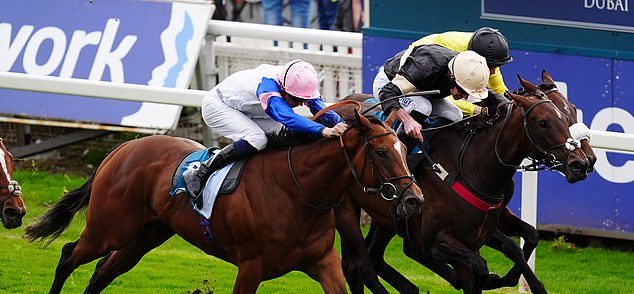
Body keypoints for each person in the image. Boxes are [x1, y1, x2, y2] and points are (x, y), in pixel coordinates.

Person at [183, 60, 348, 207]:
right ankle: (199, 174)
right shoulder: (268, 85)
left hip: (250, 110)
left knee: (282, 137)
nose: (299, 104)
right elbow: (286, 117)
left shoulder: (295, 82)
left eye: (302, 100)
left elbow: (318, 106)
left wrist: (341, 123)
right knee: (258, 139)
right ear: (284, 88)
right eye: (296, 100)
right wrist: (323, 130)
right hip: (219, 106)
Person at [373, 46, 490, 145]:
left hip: (420, 90)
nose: (464, 97)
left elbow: (490, 97)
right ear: (452, 77)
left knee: (456, 116)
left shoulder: (466, 72)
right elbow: (387, 93)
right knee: (423, 107)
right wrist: (407, 120)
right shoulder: (426, 66)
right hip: (387, 84)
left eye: (468, 93)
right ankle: (399, 152)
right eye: (462, 90)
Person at [405, 27, 513, 117]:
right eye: (491, 66)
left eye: (497, 66)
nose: (493, 72)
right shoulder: (450, 53)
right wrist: (479, 111)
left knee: (457, 113)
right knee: (426, 108)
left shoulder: (486, 55)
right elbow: (450, 95)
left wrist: (512, 103)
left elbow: (499, 89)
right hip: (416, 69)